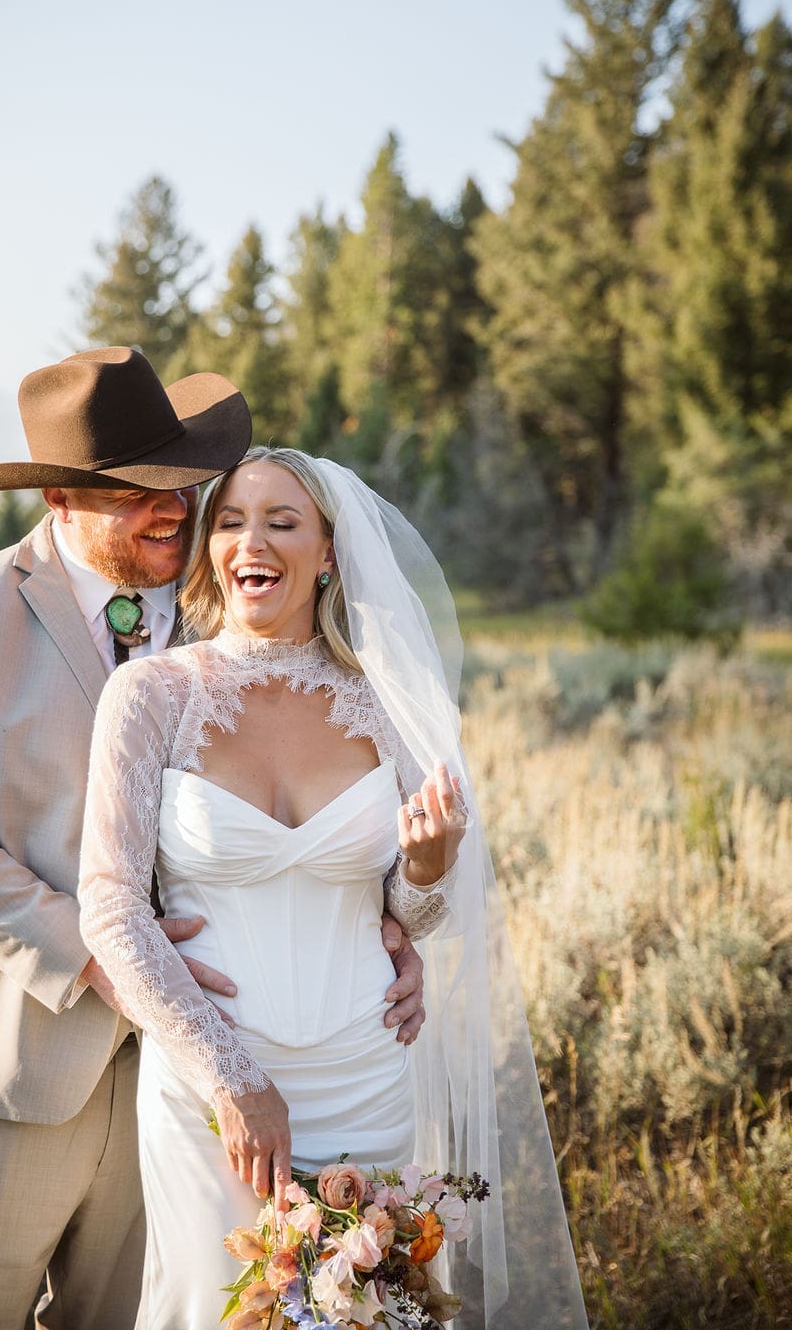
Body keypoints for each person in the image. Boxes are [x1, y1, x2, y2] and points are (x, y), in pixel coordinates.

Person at [0, 345, 430, 1330]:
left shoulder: (217, 613)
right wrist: (97, 952)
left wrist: (381, 920)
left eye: (181, 484)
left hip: (175, 1086)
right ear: (59, 495)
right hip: (11, 1067)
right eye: (138, 491)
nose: (173, 508)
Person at [79, 446, 590, 1330]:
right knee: (211, 1306)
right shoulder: (149, 695)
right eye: (232, 521)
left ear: (327, 554)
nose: (252, 540)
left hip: (364, 1068)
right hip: (211, 1083)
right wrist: (232, 1080)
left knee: (367, 1309)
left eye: (283, 522)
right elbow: (112, 909)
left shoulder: (388, 705)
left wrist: (428, 866)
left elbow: (408, 914)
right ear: (210, 549)